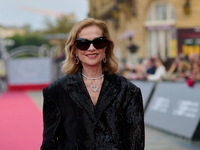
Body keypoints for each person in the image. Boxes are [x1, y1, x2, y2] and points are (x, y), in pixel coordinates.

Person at [41, 18, 145, 150]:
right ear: (75, 49)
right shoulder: (56, 91)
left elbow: (136, 145)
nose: (91, 48)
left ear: (106, 46)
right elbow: (48, 144)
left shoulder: (129, 91)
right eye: (83, 43)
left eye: (98, 42)